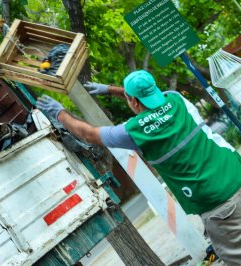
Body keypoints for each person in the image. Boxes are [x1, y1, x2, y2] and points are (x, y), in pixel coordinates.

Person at [36, 70, 241, 266]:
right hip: (235, 172)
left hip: (220, 203)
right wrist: (109, 89)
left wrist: (59, 112)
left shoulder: (134, 131)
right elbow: (143, 97)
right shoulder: (177, 99)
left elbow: (89, 134)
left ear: (133, 101)